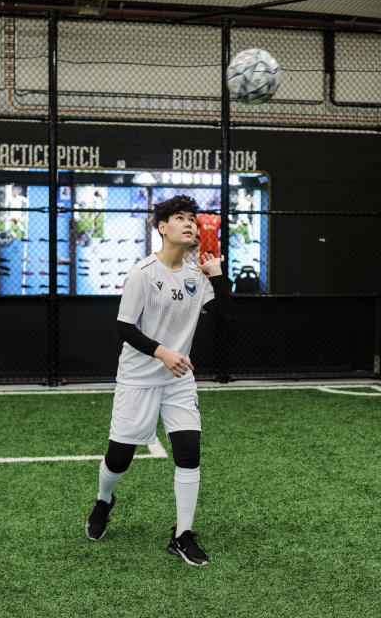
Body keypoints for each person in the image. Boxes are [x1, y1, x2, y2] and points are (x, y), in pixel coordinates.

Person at [85, 194, 231, 565]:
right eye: (180, 218)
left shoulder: (198, 274)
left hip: (179, 380)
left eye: (193, 220)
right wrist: (162, 351)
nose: (190, 225)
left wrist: (217, 274)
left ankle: (182, 535)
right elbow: (123, 326)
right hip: (138, 379)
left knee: (189, 454)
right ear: (162, 227)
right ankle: (104, 501)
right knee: (119, 459)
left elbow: (226, 316)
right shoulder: (143, 273)